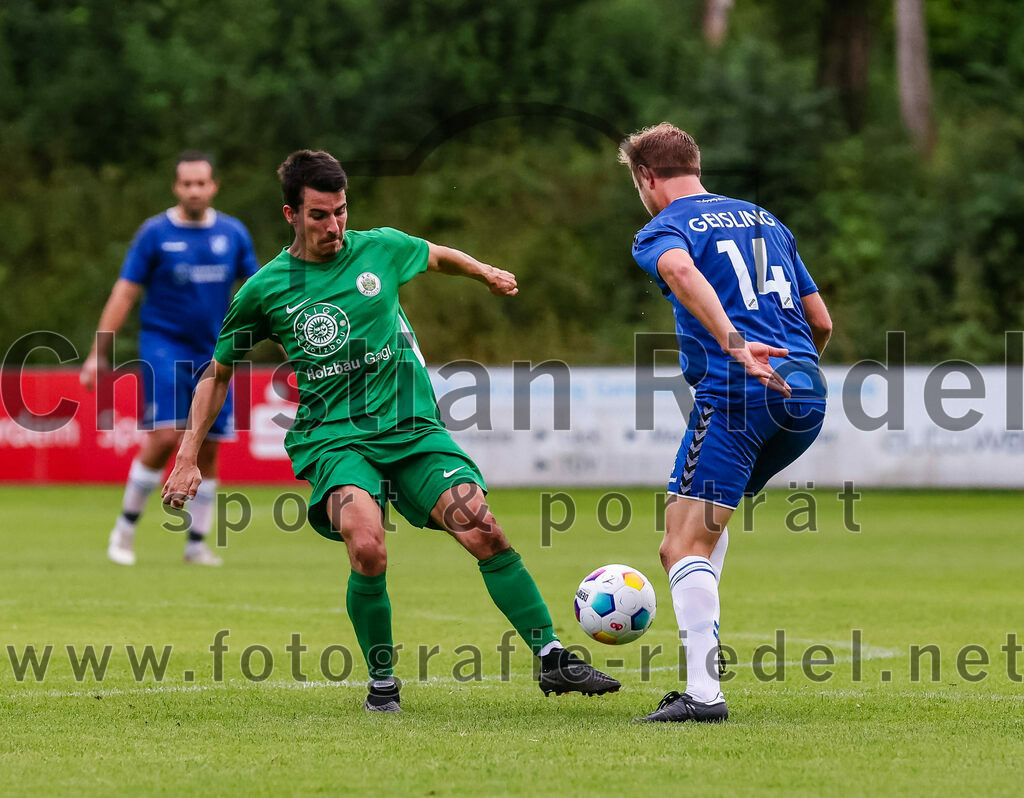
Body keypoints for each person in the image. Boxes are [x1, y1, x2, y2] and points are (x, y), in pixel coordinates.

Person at [161, 149, 619, 712]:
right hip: (335, 439)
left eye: (341, 212)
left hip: (412, 430)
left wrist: (483, 272)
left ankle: (553, 660)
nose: (334, 226)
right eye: (319, 216)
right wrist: (187, 457)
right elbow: (218, 372)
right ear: (290, 215)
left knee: (484, 530)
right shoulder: (264, 290)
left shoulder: (380, 248)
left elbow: (435, 255)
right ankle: (383, 684)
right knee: (368, 545)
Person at [619, 124, 833, 723]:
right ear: (695, 164)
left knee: (678, 544)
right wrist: (795, 368)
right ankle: (701, 674)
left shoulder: (662, 228)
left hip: (738, 394)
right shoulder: (764, 219)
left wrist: (737, 344)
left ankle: (704, 694)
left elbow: (683, 274)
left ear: (647, 178)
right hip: (805, 397)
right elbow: (821, 320)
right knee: (707, 521)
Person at [81, 151, 260, 567]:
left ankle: (196, 544)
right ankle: (123, 532)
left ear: (213, 186)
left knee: (210, 446)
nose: (194, 190)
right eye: (187, 184)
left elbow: (257, 292)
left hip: (215, 350)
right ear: (176, 187)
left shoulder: (233, 233)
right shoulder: (154, 233)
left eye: (202, 183)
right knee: (165, 436)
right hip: (165, 346)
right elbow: (125, 292)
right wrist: (98, 352)